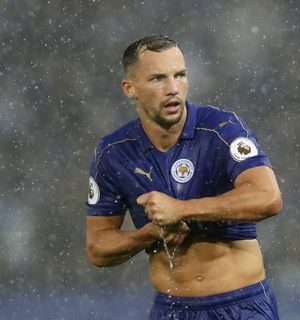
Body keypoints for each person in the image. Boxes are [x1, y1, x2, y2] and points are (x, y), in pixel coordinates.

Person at [86, 34, 283, 319]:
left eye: (180, 75)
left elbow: (269, 198)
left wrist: (182, 210)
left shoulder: (221, 129)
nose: (173, 88)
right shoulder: (114, 153)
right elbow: (98, 248)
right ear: (130, 88)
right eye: (157, 79)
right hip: (173, 311)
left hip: (242, 306)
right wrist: (149, 234)